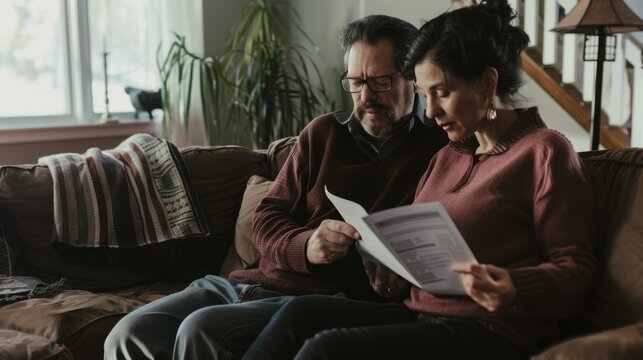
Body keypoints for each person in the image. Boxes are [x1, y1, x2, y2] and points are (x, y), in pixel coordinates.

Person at [241, 1, 598, 359]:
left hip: (489, 330)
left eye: (442, 93)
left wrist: (515, 286)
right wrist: (393, 272)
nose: (430, 111)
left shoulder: (544, 151)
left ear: (488, 83)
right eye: (425, 95)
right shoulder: (445, 158)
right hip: (418, 314)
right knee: (300, 314)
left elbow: (575, 270)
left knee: (327, 350)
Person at [103, 14, 448, 360]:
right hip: (243, 283)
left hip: (310, 300)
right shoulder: (323, 134)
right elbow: (266, 217)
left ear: (412, 79)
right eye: (356, 82)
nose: (365, 96)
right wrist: (308, 245)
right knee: (128, 334)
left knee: (203, 330)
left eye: (381, 82)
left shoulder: (438, 152)